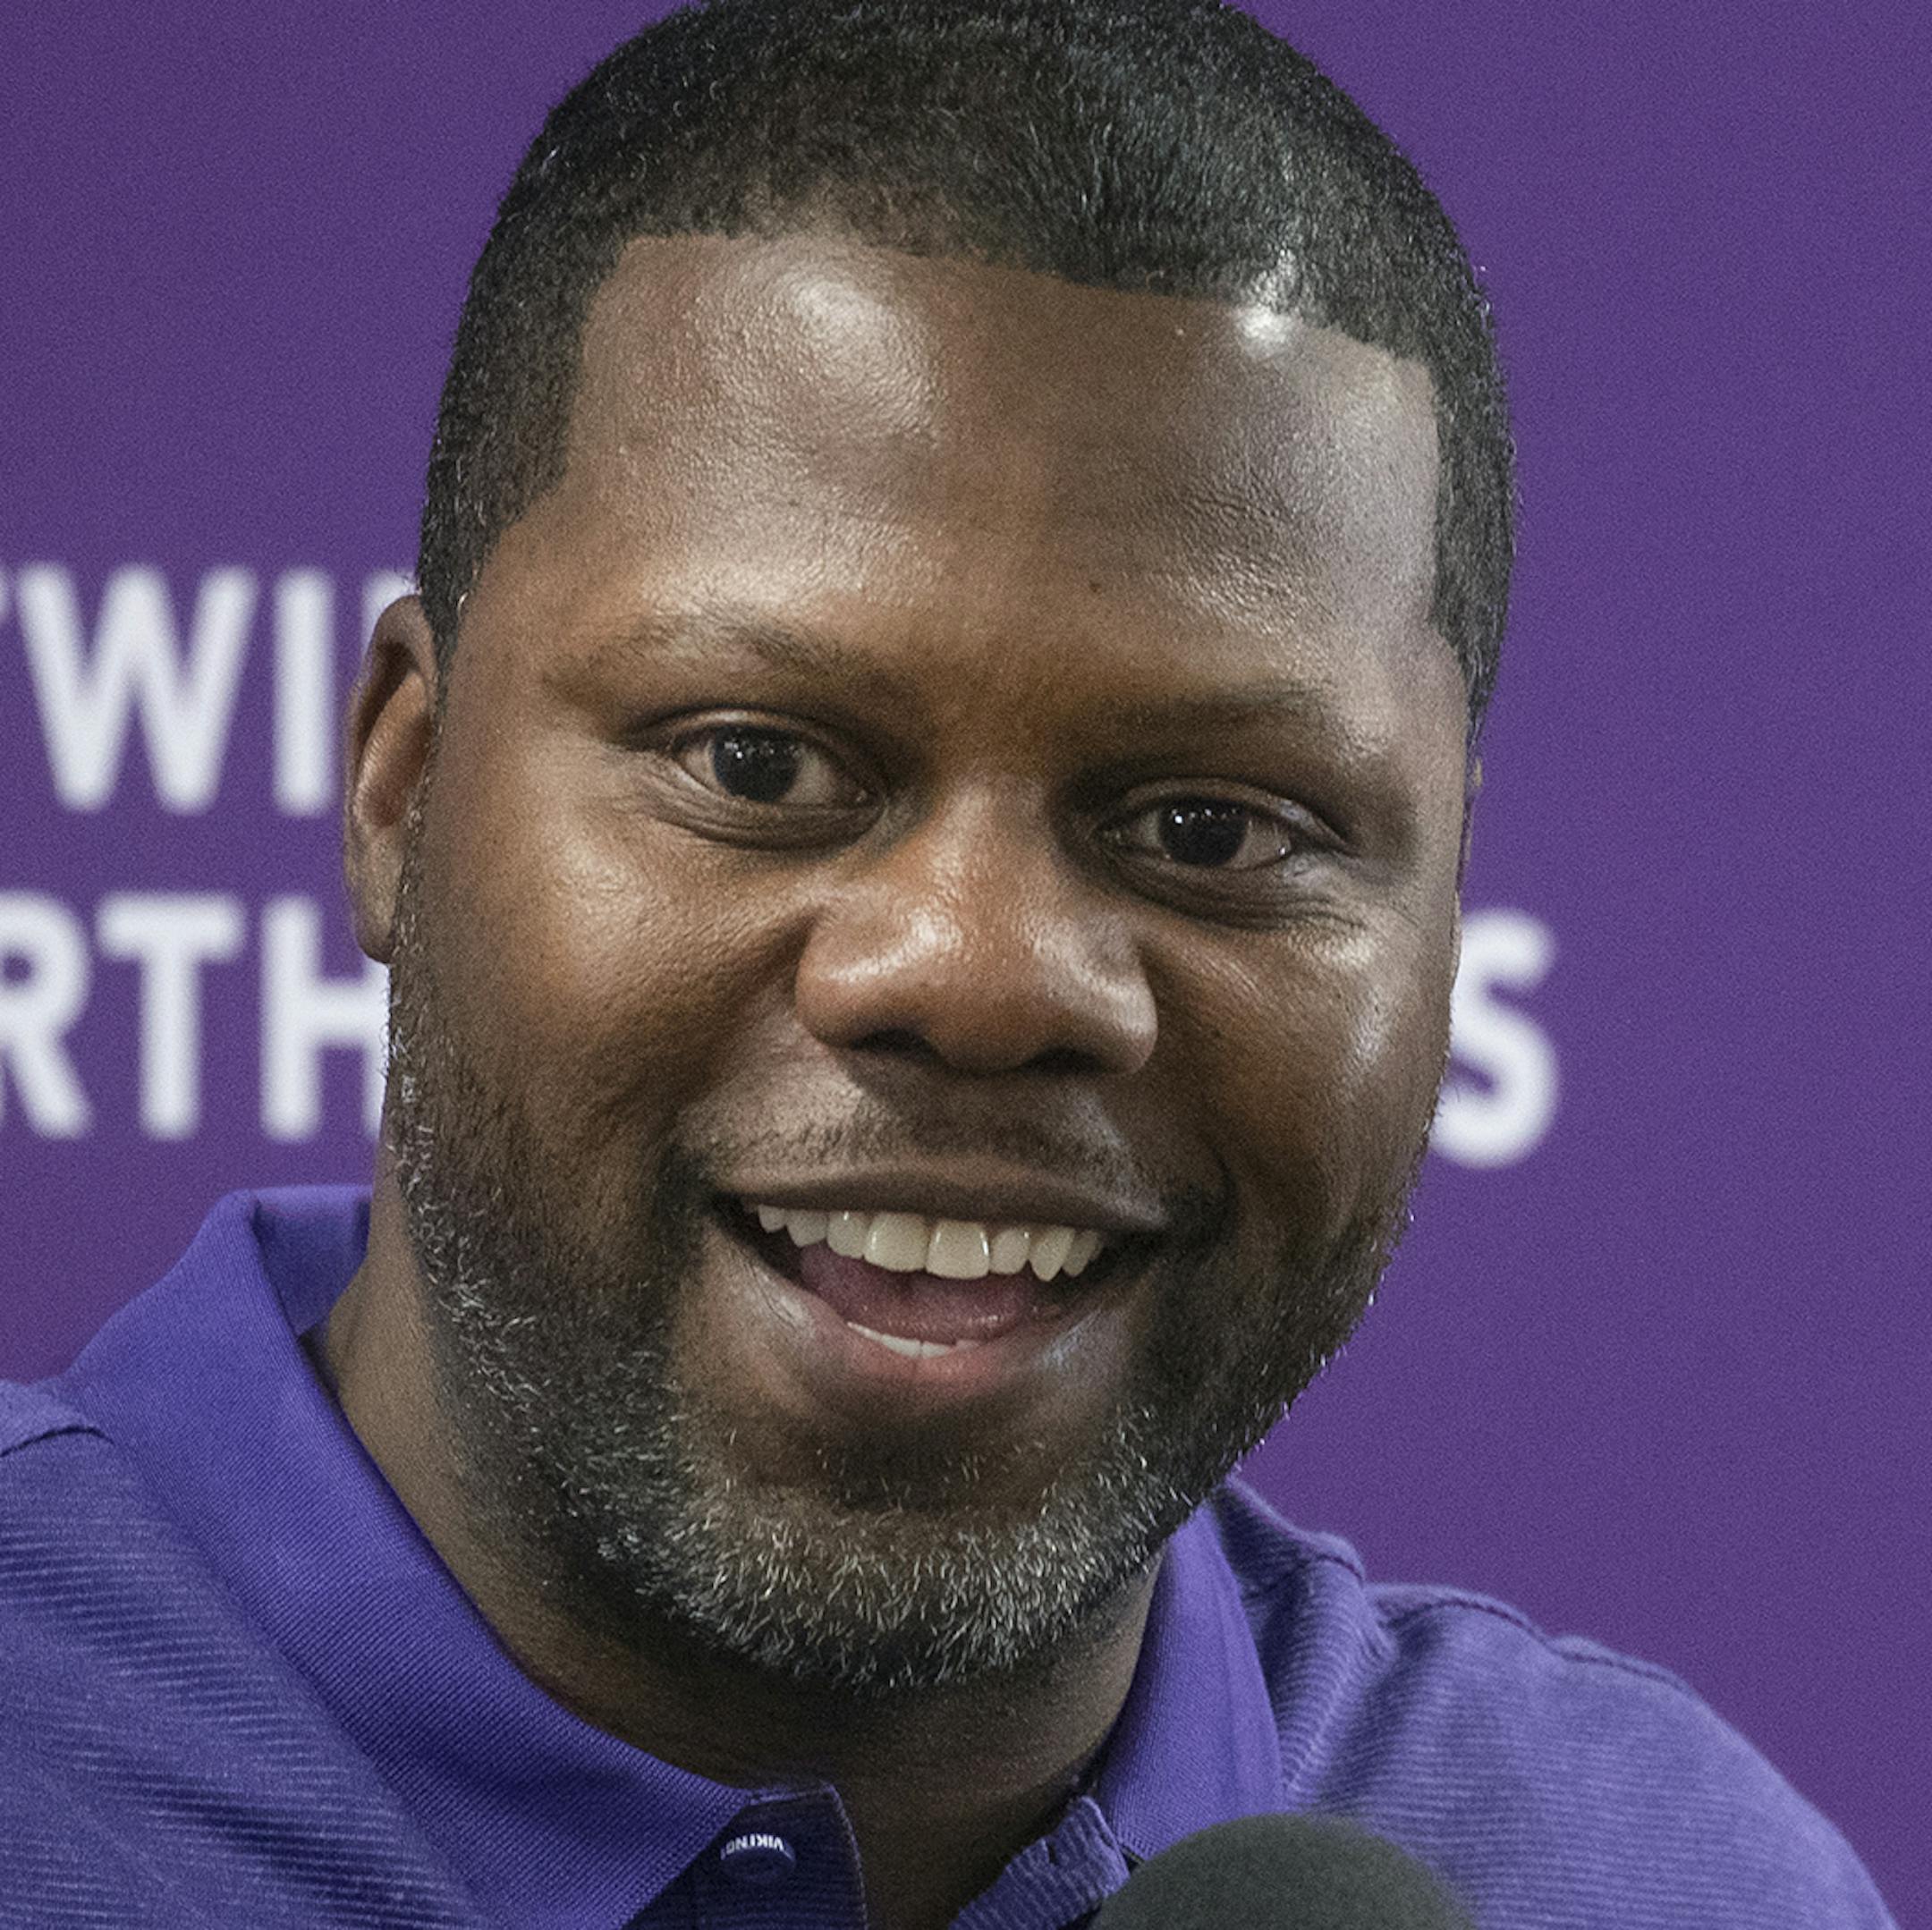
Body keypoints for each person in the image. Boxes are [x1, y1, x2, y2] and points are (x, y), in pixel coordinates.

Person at [0, 3, 1896, 1926]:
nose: (980, 974)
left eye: (1212, 830)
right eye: (758, 762)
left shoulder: (1672, 1876)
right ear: (402, 787)